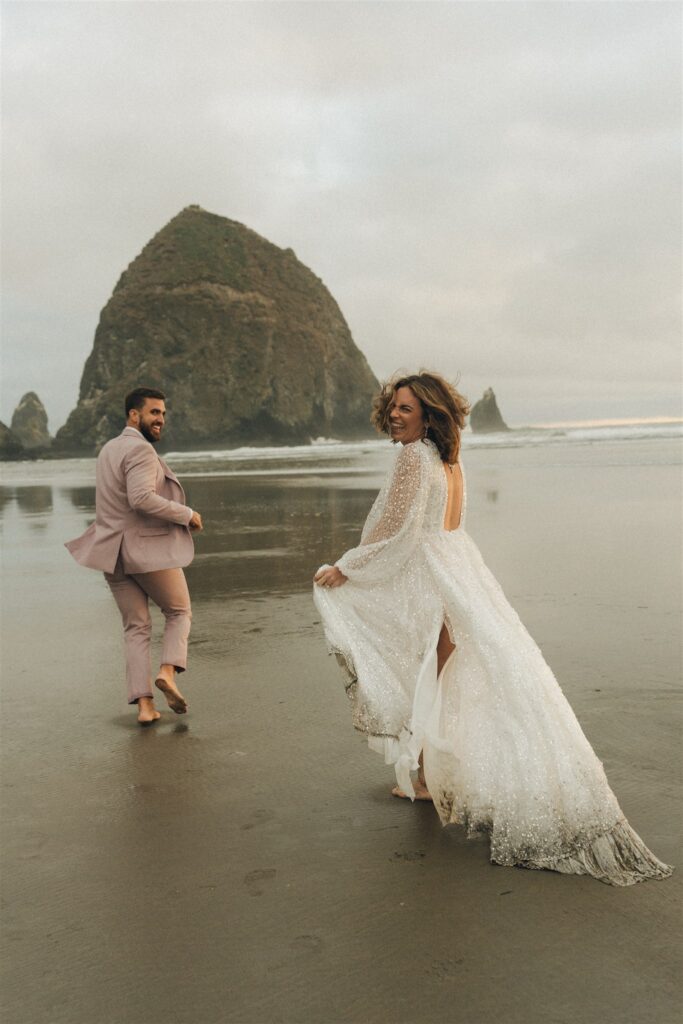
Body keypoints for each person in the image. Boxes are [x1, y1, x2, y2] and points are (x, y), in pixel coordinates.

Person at [314, 371, 673, 886]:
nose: (395, 414)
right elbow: (449, 526)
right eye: (392, 406)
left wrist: (347, 566)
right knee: (452, 673)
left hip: (441, 575)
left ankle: (423, 778)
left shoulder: (414, 458)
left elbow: (393, 530)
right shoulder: (449, 458)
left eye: (406, 409)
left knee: (435, 673)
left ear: (428, 415)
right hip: (462, 571)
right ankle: (428, 775)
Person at [66, 388, 203, 725]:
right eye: (154, 412)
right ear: (133, 415)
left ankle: (145, 707)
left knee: (136, 627)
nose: (160, 420)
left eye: (164, 414)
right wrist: (187, 514)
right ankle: (168, 672)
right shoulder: (140, 450)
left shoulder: (108, 450)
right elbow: (141, 499)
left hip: (110, 553)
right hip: (144, 551)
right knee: (179, 611)